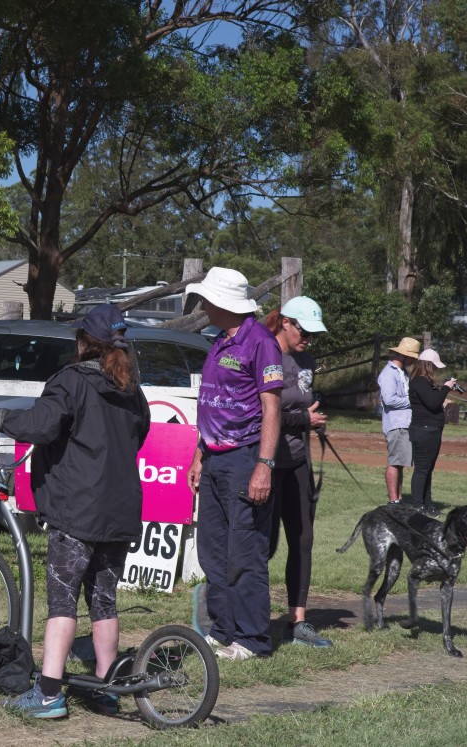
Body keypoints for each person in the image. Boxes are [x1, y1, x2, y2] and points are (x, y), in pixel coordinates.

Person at [0, 303, 150, 719]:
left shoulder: (71, 381)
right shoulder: (131, 388)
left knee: (63, 601)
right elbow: (140, 433)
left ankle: (49, 693)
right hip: (120, 508)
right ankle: (106, 688)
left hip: (78, 509)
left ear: (83, 341)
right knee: (104, 601)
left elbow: (41, 424)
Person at [185, 267, 283, 662]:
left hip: (245, 458)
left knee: (245, 551)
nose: (203, 306)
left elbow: (271, 407)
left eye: (207, 299)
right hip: (214, 459)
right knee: (213, 551)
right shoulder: (218, 342)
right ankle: (223, 629)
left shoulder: (261, 343)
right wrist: (198, 454)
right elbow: (210, 403)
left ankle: (253, 638)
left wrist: (265, 464)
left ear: (224, 303)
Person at [263, 296, 332, 648]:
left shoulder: (307, 358)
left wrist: (313, 419)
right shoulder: (265, 352)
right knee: (266, 542)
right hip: (267, 460)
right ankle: (249, 615)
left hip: (299, 458)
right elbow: (263, 413)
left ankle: (298, 622)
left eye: (313, 334)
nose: (308, 339)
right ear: (286, 322)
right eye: (304, 331)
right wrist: (303, 418)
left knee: (303, 538)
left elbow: (304, 401)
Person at [408, 349, 457, 518]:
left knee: (427, 469)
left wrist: (442, 388)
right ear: (428, 366)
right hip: (424, 431)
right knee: (422, 469)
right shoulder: (420, 382)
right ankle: (417, 505)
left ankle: (427, 503)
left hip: (430, 430)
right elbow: (434, 402)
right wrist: (445, 388)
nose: (435, 370)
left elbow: (433, 400)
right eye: (434, 367)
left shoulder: (424, 383)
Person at [378, 337, 420, 504]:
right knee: (394, 462)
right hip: (396, 424)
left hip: (405, 423)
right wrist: (412, 400)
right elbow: (389, 400)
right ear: (404, 356)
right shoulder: (388, 374)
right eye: (411, 358)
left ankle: (398, 498)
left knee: (400, 462)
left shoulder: (403, 373)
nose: (412, 361)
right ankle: (393, 500)